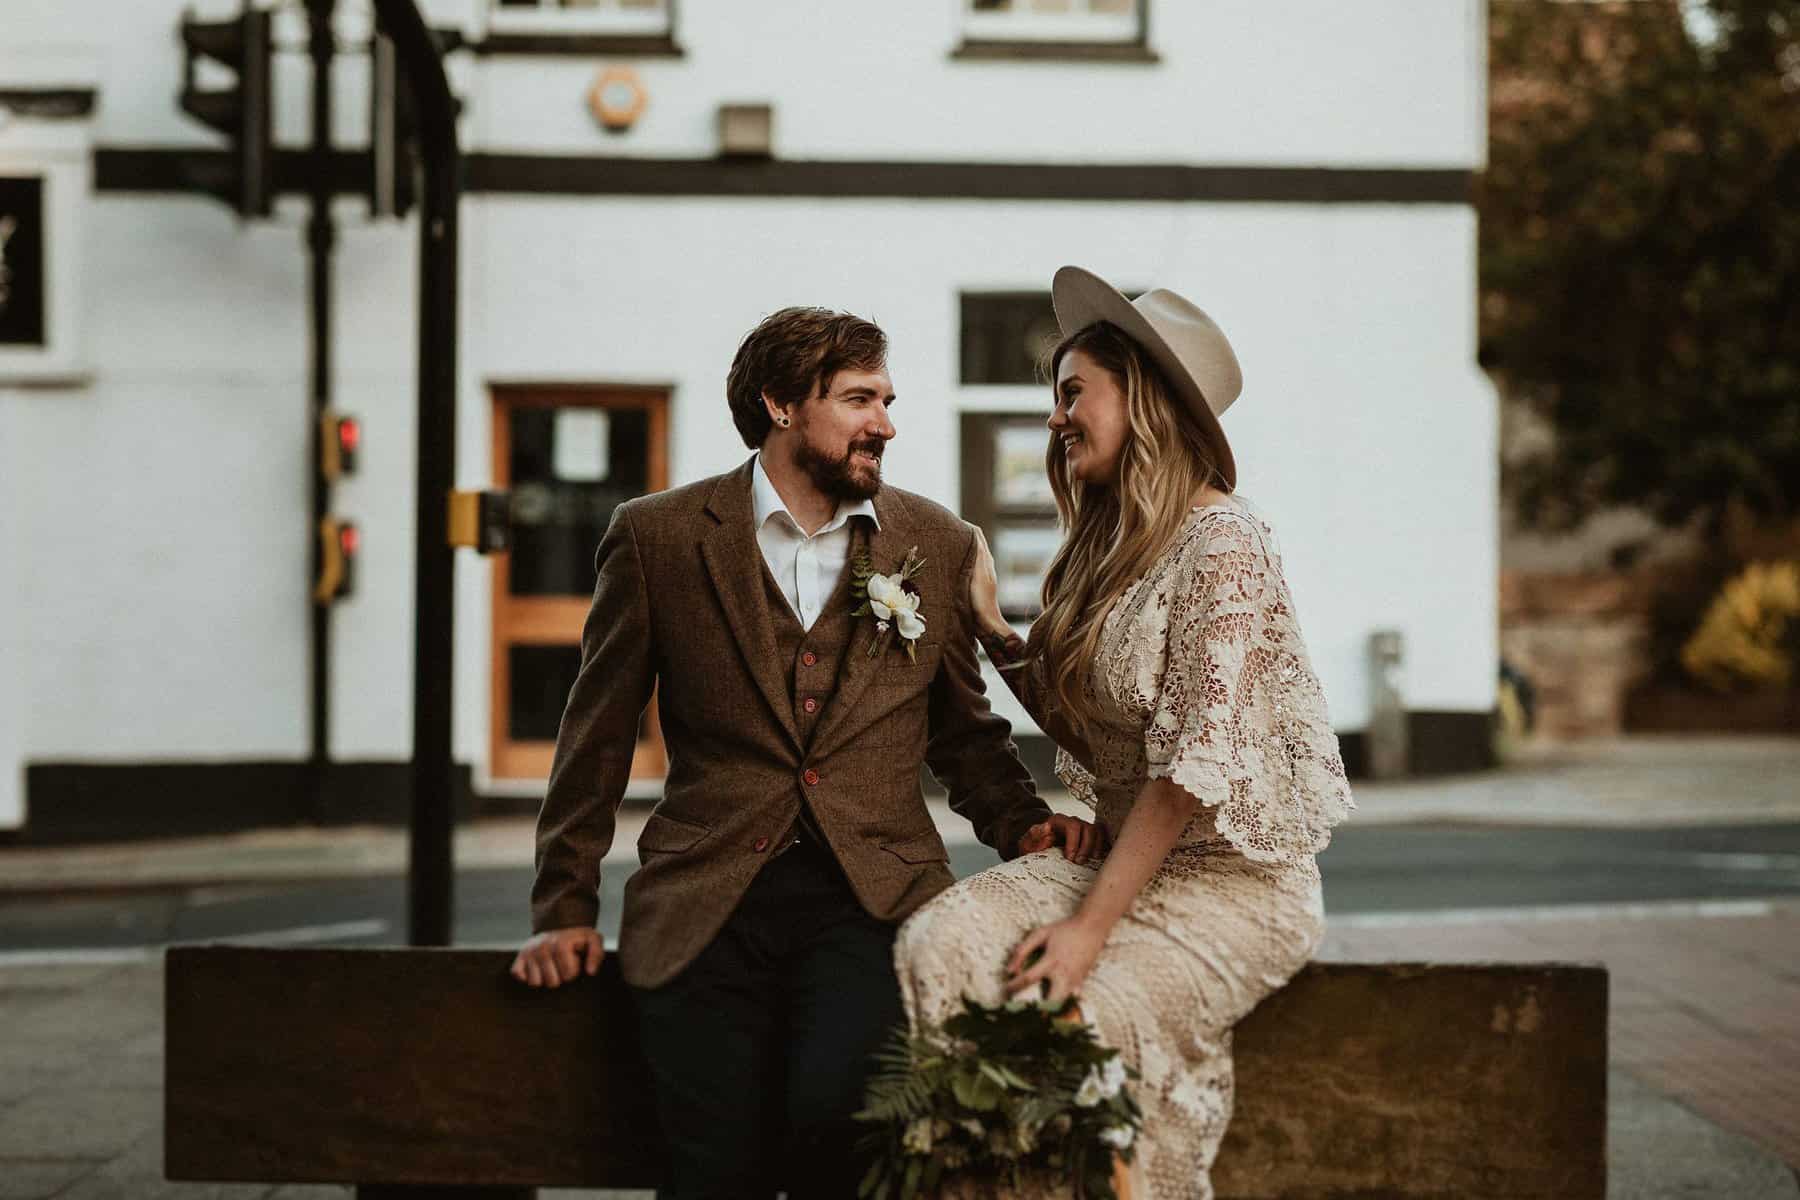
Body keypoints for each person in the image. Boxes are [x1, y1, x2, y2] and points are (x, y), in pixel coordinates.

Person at [508, 305, 1100, 1200]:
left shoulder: (933, 542)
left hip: (873, 900)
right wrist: (564, 908)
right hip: (705, 900)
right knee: (712, 1169)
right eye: (860, 399)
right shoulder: (659, 536)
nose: (885, 423)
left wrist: (1022, 824)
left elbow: (963, 731)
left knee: (841, 1130)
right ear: (781, 405)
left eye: (888, 400)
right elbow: (592, 740)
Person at [894, 267, 1356, 1199]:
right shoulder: (1110, 546)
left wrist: (1086, 933)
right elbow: (1090, 727)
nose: (1055, 418)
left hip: (1233, 887)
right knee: (935, 947)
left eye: (1073, 393)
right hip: (1121, 859)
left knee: (1074, 1022)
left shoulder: (1227, 542)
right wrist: (992, 630)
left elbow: (1191, 770)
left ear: (1138, 397)